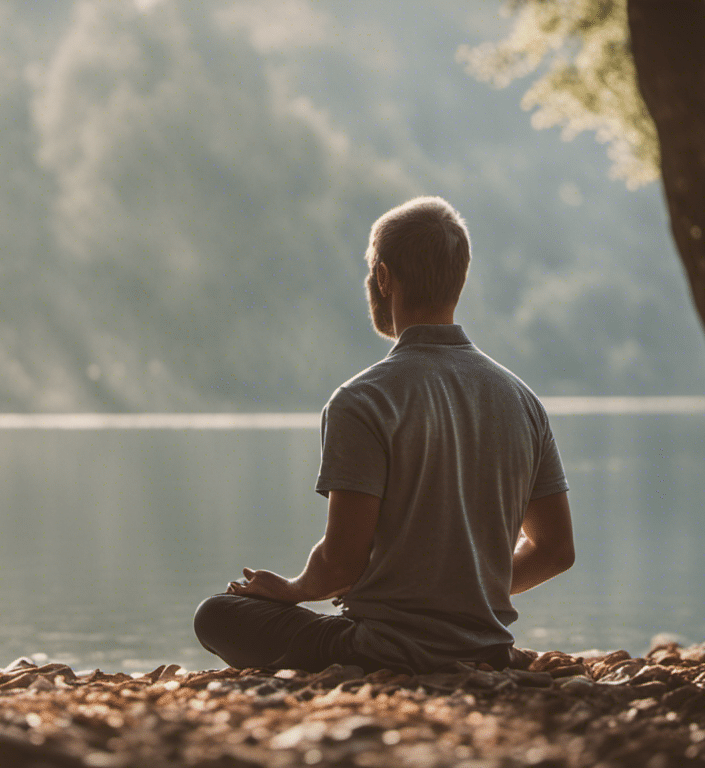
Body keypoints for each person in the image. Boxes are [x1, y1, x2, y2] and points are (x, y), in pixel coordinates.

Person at [193, 196, 575, 674]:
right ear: (459, 280)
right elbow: (555, 549)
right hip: (486, 649)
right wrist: (473, 590)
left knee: (215, 615)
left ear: (384, 277)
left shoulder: (362, 399)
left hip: (382, 650)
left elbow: (342, 563)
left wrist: (290, 589)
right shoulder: (522, 400)